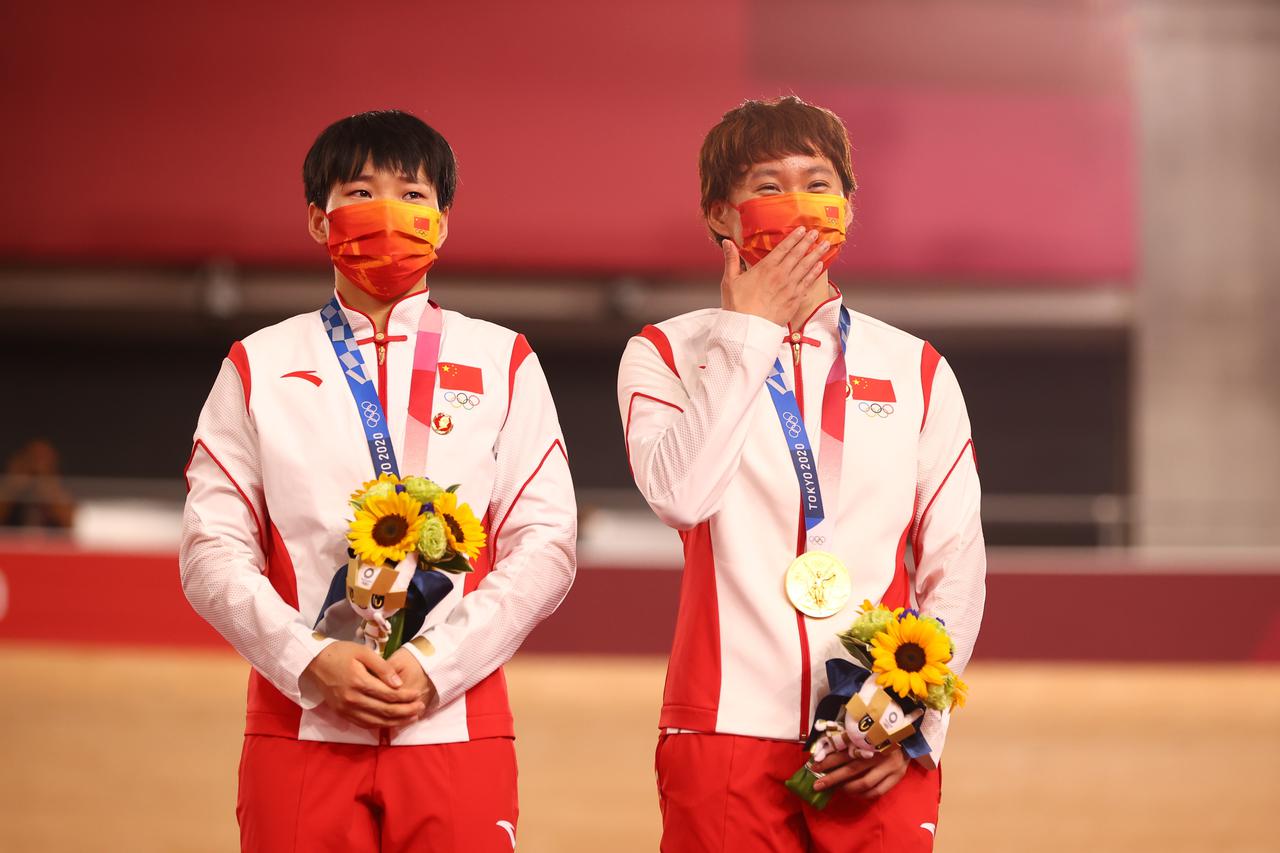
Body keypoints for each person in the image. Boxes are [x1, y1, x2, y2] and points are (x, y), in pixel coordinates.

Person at [181, 110, 576, 853]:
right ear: (315, 218)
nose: (390, 213)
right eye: (360, 191)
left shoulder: (504, 360)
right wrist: (306, 658)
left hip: (456, 721)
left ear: (444, 223)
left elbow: (547, 544)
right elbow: (210, 551)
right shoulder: (257, 364)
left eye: (414, 196)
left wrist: (437, 663)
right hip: (301, 726)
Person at [617, 95, 985, 851]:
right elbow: (682, 497)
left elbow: (956, 566)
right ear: (721, 215)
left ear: (849, 206)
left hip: (873, 729)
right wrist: (748, 334)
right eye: (768, 184)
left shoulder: (916, 368)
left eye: (820, 183)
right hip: (722, 727)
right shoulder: (664, 354)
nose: (800, 203)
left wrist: (915, 715)